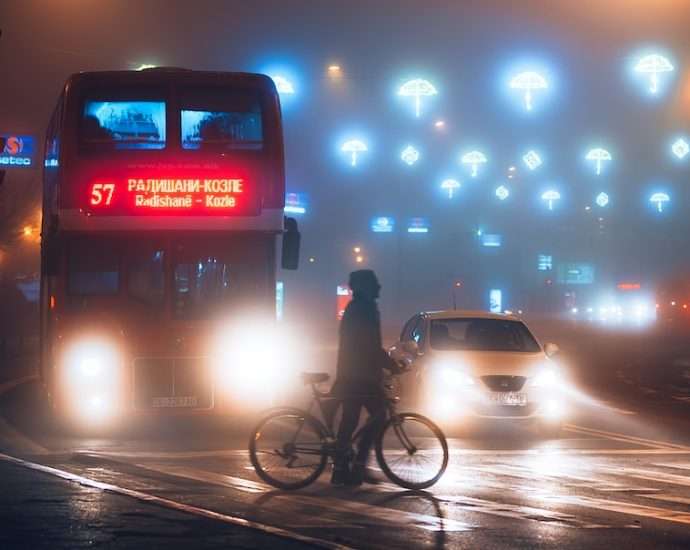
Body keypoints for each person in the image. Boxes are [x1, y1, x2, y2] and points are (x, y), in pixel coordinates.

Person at [330, 269, 401, 486]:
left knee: (350, 421)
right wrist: (390, 364)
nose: (379, 286)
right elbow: (368, 344)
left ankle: (343, 470)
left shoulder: (358, 308)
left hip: (353, 374)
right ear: (365, 287)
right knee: (378, 416)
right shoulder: (364, 309)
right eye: (374, 283)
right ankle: (357, 466)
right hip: (360, 376)